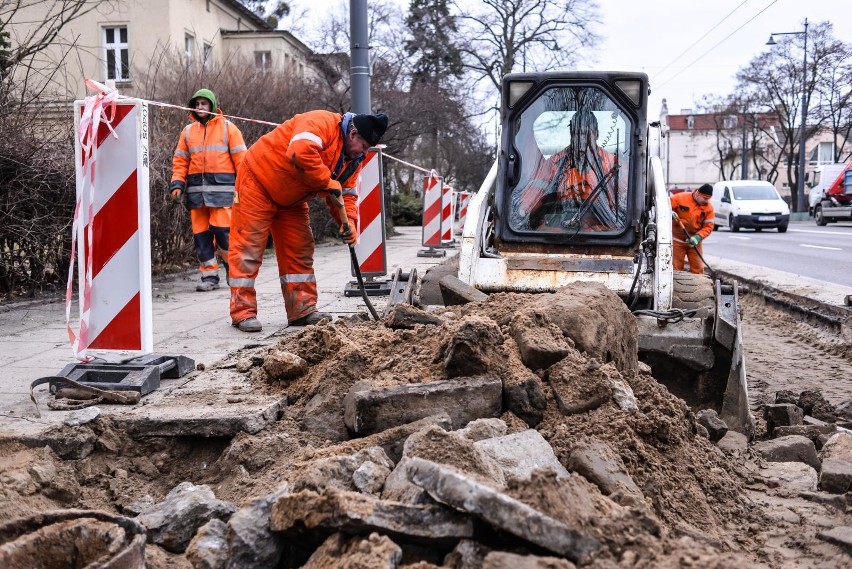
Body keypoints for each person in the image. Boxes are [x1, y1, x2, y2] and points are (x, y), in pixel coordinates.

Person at [228, 110, 389, 333]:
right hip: (257, 182)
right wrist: (327, 181)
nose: (364, 152)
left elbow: (347, 195)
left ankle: (302, 310)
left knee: (300, 249)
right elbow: (300, 152)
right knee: (248, 248)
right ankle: (242, 312)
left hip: (292, 198)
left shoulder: (353, 160)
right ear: (353, 133)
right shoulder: (321, 122)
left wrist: (349, 223)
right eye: (363, 145)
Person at [170, 88, 247, 291]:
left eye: (204, 103)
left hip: (223, 194)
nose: (200, 107)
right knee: (201, 236)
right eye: (197, 104)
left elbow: (242, 161)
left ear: (212, 105)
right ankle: (209, 276)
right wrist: (177, 183)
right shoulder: (187, 132)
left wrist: (246, 187)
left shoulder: (228, 128)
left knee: (224, 234)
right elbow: (180, 161)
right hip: (196, 195)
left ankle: (233, 271)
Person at [515, 109, 622, 232]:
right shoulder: (555, 163)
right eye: (576, 134)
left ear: (596, 134)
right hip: (561, 225)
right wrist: (524, 210)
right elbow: (536, 189)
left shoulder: (614, 164)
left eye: (586, 133)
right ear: (571, 135)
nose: (581, 139)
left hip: (600, 226)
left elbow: (624, 201)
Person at [671, 183, 715, 274]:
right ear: (698, 194)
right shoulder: (679, 198)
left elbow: (708, 226)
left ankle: (698, 286)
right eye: (705, 198)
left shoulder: (708, 208)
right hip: (677, 241)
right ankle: (676, 286)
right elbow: (665, 207)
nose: (707, 201)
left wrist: (698, 237)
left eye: (708, 199)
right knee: (675, 268)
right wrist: (669, 213)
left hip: (694, 242)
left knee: (698, 268)